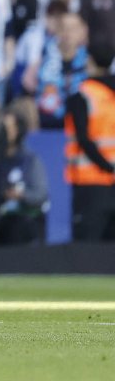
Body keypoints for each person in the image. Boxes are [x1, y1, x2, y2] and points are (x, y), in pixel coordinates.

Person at [64, 44, 115, 241]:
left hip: (90, 181)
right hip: (111, 181)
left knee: (86, 248)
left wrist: (107, 167)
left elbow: (83, 139)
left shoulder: (83, 95)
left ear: (90, 61)